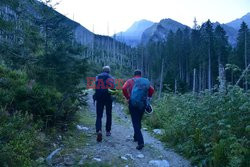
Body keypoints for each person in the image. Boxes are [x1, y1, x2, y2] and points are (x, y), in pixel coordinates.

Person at [122, 70, 154, 150]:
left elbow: (124, 88)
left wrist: (128, 97)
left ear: (134, 74)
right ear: (141, 75)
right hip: (142, 103)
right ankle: (136, 137)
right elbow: (152, 90)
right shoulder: (144, 81)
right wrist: (148, 97)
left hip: (133, 103)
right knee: (138, 120)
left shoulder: (130, 81)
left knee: (135, 122)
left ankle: (141, 142)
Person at [93, 66, 114, 142]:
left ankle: (99, 130)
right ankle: (108, 131)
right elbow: (113, 89)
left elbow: (95, 87)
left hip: (99, 98)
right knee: (109, 114)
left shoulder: (97, 77)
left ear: (102, 70)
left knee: (99, 115)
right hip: (108, 98)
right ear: (109, 71)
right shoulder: (111, 78)